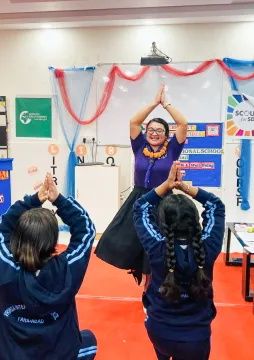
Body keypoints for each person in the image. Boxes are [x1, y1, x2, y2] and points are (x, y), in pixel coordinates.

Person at [0, 173, 97, 360]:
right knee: (89, 341)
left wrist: (32, 201)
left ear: (18, 237)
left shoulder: (7, 264)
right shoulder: (65, 269)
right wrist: (60, 201)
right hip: (57, 353)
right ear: (53, 240)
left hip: (10, 352)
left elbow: (1, 227)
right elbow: (86, 229)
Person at [95, 84, 188, 286]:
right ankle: (147, 285)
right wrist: (153, 103)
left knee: (158, 247)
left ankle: (154, 288)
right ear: (146, 132)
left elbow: (182, 124)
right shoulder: (139, 146)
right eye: (151, 129)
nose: (155, 133)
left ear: (166, 134)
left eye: (160, 130)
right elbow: (134, 121)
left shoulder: (172, 149)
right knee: (131, 242)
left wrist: (165, 104)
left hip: (164, 202)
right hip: (139, 199)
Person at [133, 161, 225, 360]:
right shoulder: (208, 245)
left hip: (159, 332)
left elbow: (140, 207)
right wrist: (184, 187)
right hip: (196, 337)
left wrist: (166, 185)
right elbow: (216, 206)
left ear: (163, 222)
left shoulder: (157, 247)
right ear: (195, 219)